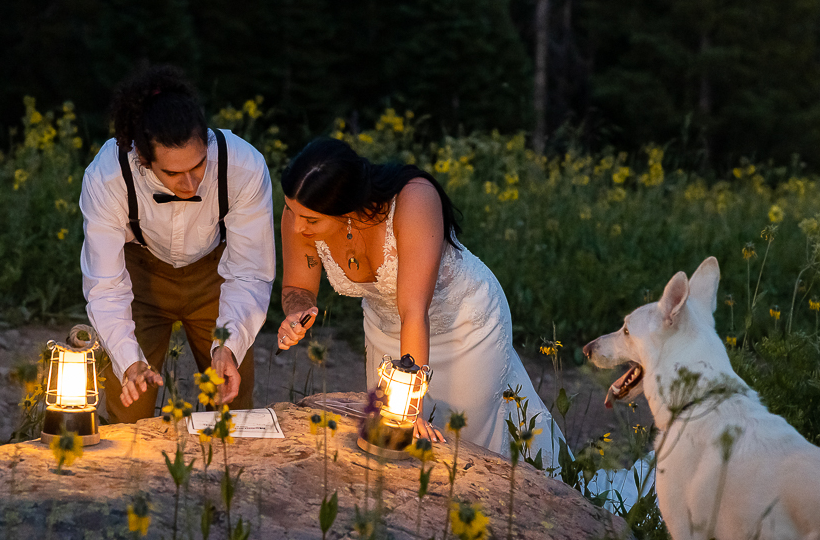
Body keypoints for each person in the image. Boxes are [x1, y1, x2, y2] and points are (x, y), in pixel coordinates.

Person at [275, 138, 564, 467]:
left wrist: (410, 409)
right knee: (390, 449)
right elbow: (297, 285)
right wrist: (298, 309)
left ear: (349, 207)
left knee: (462, 439)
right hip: (386, 332)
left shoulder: (415, 199)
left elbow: (414, 310)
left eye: (311, 220)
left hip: (463, 327)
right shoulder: (301, 212)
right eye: (292, 212)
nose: (298, 226)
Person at [80, 64, 275, 421]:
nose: (190, 185)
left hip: (215, 279)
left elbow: (249, 271)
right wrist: (129, 361)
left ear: (208, 142)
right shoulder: (108, 177)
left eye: (198, 166)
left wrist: (228, 347)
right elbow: (105, 286)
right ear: (142, 158)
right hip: (140, 280)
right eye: (172, 173)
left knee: (231, 398)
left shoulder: (243, 166)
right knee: (127, 408)